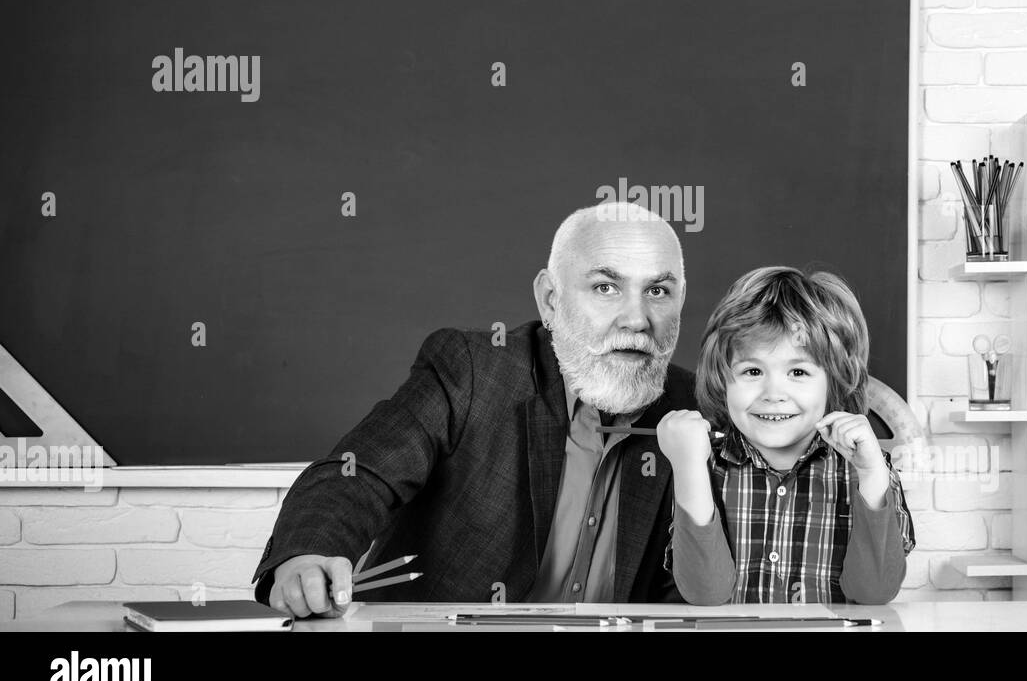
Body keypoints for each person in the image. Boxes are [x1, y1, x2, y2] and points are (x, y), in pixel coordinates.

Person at [252, 202, 692, 616]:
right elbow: (360, 473)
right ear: (550, 301)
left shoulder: (697, 407)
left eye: (657, 290)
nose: (637, 319)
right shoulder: (473, 371)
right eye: (606, 287)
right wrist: (308, 552)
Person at [657, 266, 915, 605]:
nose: (773, 392)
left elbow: (874, 592)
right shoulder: (704, 468)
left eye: (798, 371)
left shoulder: (867, 469)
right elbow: (707, 593)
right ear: (722, 380)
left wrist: (870, 475)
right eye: (752, 371)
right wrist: (689, 466)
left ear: (833, 381)